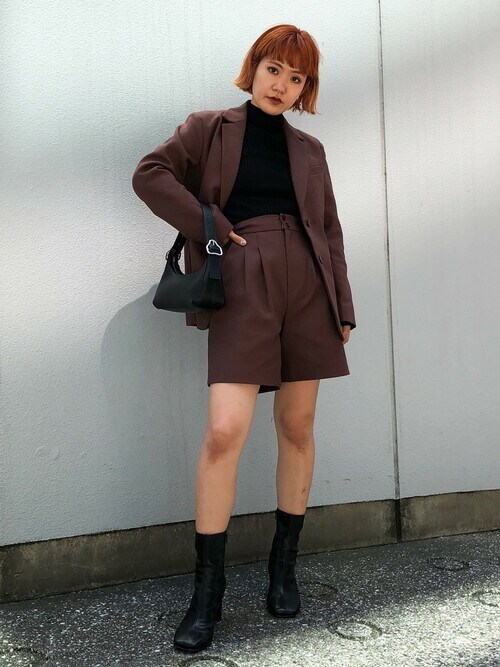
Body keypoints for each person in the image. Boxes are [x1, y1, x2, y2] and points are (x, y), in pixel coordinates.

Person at [132, 23, 356, 653]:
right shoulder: (210, 128)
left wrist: (342, 304)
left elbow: (329, 230)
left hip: (307, 286)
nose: (281, 85)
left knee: (298, 425)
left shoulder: (310, 150)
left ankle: (283, 570)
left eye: (296, 77)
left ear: (305, 88)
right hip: (243, 281)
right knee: (225, 430)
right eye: (274, 69)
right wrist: (208, 223)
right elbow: (150, 174)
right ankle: (208, 592)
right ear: (254, 67)